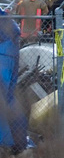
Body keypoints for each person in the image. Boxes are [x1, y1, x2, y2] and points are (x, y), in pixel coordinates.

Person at [0, 8, 28, 153]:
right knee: (8, 99)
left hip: (4, 54)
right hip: (9, 52)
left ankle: (5, 142)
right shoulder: (5, 19)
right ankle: (19, 141)